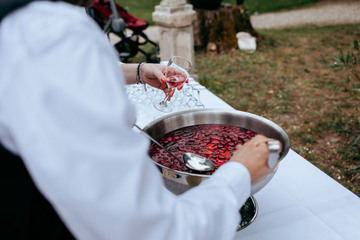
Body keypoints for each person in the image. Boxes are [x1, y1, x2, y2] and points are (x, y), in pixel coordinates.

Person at [0, 0, 276, 239]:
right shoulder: (53, 33)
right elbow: (158, 232)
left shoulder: (29, 22)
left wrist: (138, 71)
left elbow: (50, 73)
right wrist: (240, 173)